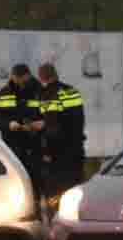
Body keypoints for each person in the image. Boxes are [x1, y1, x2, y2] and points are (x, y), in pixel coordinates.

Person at [0, 63, 43, 194]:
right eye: (16, 78)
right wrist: (9, 124)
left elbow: (52, 116)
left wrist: (42, 123)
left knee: (37, 182)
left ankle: (37, 203)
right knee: (18, 184)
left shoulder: (40, 91)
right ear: (12, 77)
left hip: (36, 146)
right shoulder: (4, 93)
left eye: (21, 79)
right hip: (13, 147)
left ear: (28, 76)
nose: (19, 82)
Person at [36, 62, 86, 203]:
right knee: (75, 188)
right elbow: (75, 119)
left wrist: (46, 150)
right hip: (76, 147)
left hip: (59, 151)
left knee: (57, 192)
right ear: (55, 74)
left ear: (41, 78)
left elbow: (52, 124)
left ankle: (57, 214)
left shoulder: (48, 94)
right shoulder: (72, 91)